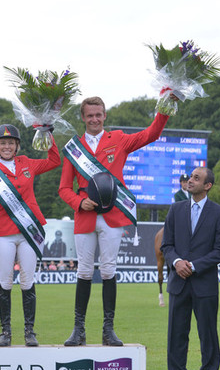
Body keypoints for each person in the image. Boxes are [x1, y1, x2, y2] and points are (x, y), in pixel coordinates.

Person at [61, 96, 168, 346]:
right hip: (85, 215)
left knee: (109, 270)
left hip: (112, 215)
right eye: (90, 115)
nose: (95, 119)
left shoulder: (118, 139)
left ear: (105, 115)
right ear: (83, 118)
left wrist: (165, 108)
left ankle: (109, 331)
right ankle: (79, 330)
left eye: (99, 115)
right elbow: (64, 188)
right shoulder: (73, 148)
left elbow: (152, 133)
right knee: (84, 271)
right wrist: (78, 202)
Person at [0, 124, 61, 347]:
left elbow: (55, 161)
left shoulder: (27, 163)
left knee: (27, 280)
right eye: (3, 143)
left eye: (11, 143)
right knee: (5, 280)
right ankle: (5, 332)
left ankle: (29, 331)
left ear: (17, 145)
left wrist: (48, 135)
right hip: (3, 234)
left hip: (29, 232)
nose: (7, 146)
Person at [160, 167, 220, 370]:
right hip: (178, 282)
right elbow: (166, 245)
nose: (190, 181)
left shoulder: (219, 213)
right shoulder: (175, 209)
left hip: (204, 284)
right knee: (176, 333)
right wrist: (177, 262)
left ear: (207, 186)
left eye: (196, 178)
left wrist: (195, 266)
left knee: (207, 333)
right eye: (191, 177)